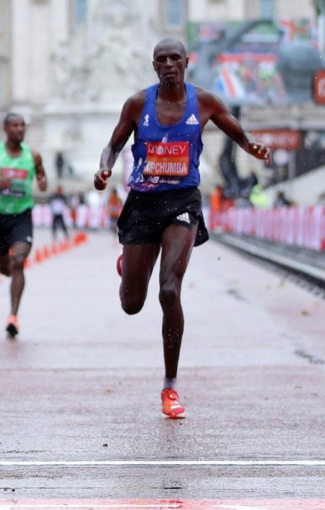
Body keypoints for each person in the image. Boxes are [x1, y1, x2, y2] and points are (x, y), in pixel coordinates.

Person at [93, 38, 270, 419]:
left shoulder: (204, 101)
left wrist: (252, 145)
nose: (169, 64)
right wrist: (104, 169)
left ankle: (170, 386)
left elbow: (237, 132)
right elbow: (113, 146)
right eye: (162, 60)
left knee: (169, 290)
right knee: (131, 304)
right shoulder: (138, 104)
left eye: (175, 58)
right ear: (154, 66)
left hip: (183, 201)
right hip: (143, 202)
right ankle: (129, 264)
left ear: (187, 63)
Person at [0, 112, 47, 338]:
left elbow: (43, 179)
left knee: (18, 261)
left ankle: (13, 316)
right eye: (14, 125)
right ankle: (8, 272)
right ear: (6, 129)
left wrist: (42, 182)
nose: (19, 129)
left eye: (22, 125)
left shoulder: (33, 156)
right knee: (5, 268)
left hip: (22, 216)